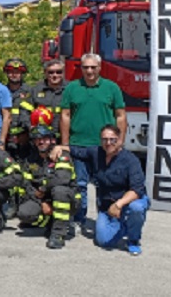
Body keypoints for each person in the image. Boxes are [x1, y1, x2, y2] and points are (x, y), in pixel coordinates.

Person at [60, 53, 126, 231]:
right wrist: (65, 143)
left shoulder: (112, 88)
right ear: (81, 68)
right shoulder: (72, 88)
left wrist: (119, 142)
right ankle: (79, 219)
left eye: (93, 67)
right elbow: (65, 116)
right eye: (85, 67)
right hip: (78, 144)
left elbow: (120, 116)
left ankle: (102, 220)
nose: (89, 71)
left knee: (102, 184)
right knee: (80, 184)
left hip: (104, 147)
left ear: (100, 67)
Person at [88, 125, 149, 256]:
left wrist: (119, 204)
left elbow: (137, 189)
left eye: (112, 139)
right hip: (107, 207)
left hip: (128, 202)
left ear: (120, 139)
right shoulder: (96, 153)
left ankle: (133, 240)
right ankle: (124, 225)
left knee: (137, 208)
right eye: (104, 139)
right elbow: (77, 151)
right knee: (104, 242)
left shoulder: (131, 160)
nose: (108, 143)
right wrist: (60, 147)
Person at [17, 125, 77, 249]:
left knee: (60, 190)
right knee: (24, 213)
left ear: (52, 140)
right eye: (37, 139)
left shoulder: (62, 156)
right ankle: (50, 223)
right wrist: (41, 201)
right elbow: (26, 184)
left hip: (67, 201)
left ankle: (58, 234)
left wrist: (43, 189)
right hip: (42, 199)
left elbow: (62, 178)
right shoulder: (31, 160)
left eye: (44, 138)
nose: (41, 141)